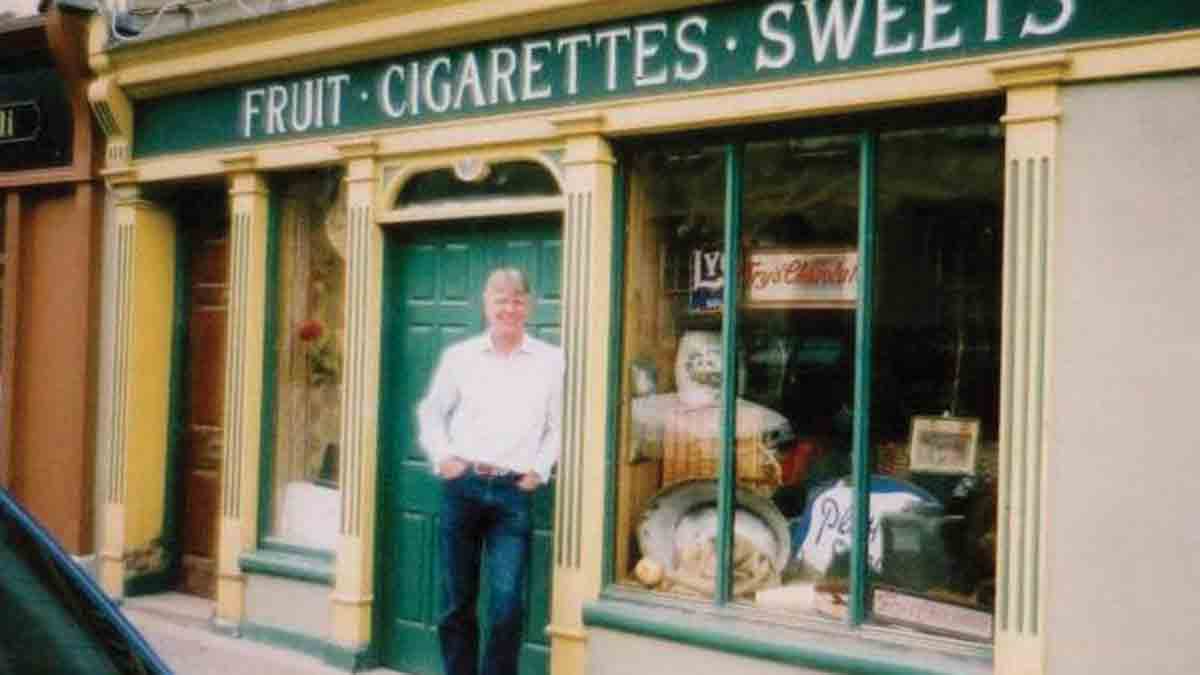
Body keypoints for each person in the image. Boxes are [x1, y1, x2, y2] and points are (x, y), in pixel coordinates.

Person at [416, 267, 564, 675]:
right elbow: (431, 411)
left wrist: (539, 470)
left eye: (517, 301)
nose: (509, 309)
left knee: (507, 605)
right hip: (462, 488)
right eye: (501, 300)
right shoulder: (460, 357)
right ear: (486, 304)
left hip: (511, 494)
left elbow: (559, 426)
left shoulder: (550, 361)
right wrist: (442, 457)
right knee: (456, 603)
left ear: (528, 306)